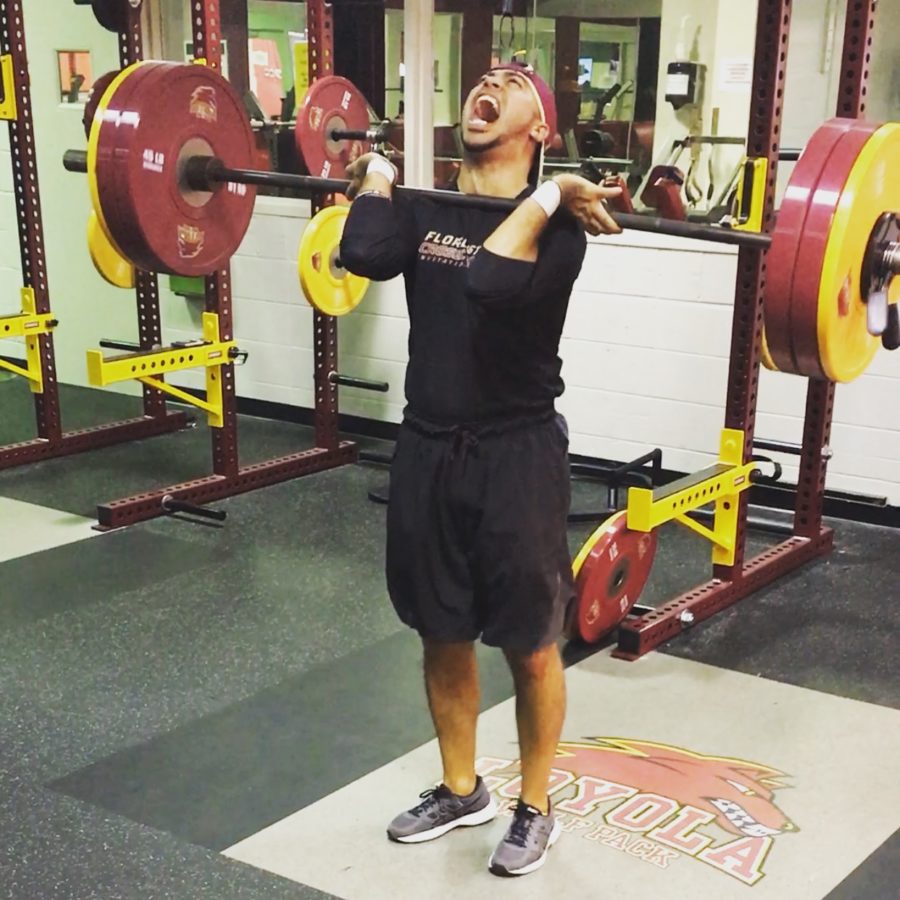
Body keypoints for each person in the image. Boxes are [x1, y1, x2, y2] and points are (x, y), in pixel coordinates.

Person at [339, 63, 621, 877]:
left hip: (515, 455)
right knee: (442, 628)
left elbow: (493, 280)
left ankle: (536, 806)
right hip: (428, 444)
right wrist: (383, 178)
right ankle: (464, 791)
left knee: (532, 644)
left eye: (512, 81)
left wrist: (546, 197)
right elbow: (363, 250)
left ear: (540, 127)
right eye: (484, 75)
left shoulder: (564, 231)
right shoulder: (428, 209)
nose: (487, 82)